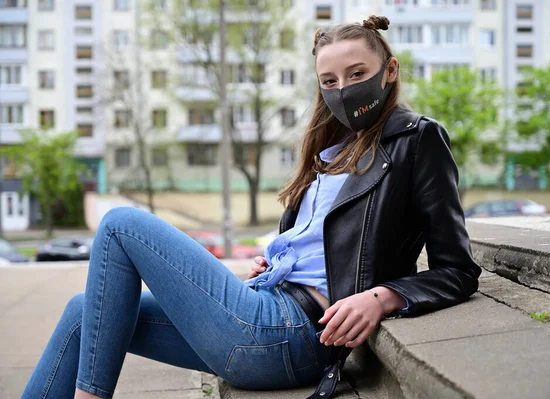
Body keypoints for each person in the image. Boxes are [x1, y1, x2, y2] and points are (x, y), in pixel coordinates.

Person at [22, 15, 480, 399]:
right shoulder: (333, 150)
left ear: (390, 70)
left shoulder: (417, 140)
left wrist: (381, 297)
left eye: (358, 74)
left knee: (121, 225)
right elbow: (330, 243)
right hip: (267, 307)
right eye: (329, 81)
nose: (344, 89)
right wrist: (281, 263)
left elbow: (457, 269)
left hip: (292, 332)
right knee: (85, 310)